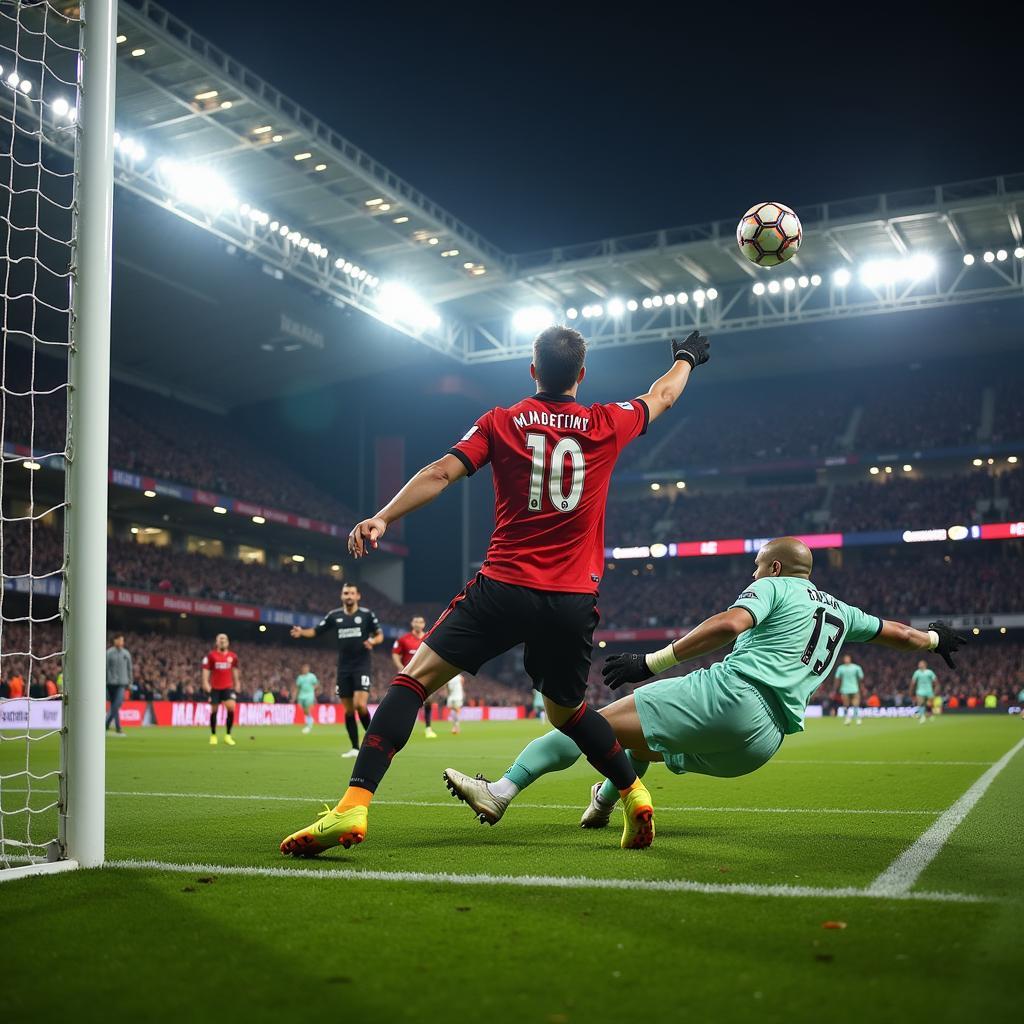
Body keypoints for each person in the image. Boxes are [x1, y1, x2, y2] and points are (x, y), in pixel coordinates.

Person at [280, 326, 711, 857]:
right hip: (573, 599)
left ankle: (352, 807)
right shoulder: (606, 421)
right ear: (581, 374)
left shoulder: (501, 421)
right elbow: (663, 394)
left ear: (532, 371)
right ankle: (634, 792)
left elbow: (439, 473)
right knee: (568, 715)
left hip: (504, 586)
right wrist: (687, 358)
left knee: (413, 683)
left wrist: (382, 516)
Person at [441, 537, 968, 830]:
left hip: (732, 695)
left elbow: (729, 624)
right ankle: (606, 802)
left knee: (586, 725)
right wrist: (931, 639)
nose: (754, 573)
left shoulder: (775, 586)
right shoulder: (843, 612)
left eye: (758, 567)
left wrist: (653, 661)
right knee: (643, 732)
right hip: (763, 744)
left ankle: (500, 791)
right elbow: (895, 632)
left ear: (776, 566)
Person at [291, 583, 384, 757]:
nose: (348, 596)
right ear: (342, 596)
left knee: (360, 705)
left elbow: (379, 634)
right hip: (343, 668)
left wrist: (373, 641)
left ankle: (374, 743)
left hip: (361, 665)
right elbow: (317, 631)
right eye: (345, 593)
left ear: (358, 596)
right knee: (349, 710)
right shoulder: (334, 615)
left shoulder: (366, 615)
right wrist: (302, 632)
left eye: (351, 593)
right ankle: (355, 748)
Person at [393, 615, 435, 738]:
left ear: (424, 624)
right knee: (406, 702)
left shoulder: (429, 637)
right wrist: (400, 666)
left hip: (425, 674)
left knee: (429, 700)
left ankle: (428, 727)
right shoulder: (403, 639)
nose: (418, 624)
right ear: (412, 623)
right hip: (409, 675)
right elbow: (395, 654)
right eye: (416, 621)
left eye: (421, 622)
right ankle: (401, 727)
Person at [202, 633, 240, 746]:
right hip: (215, 687)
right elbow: (206, 670)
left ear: (228, 642)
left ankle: (228, 735)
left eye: (224, 639)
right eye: (220, 639)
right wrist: (205, 682)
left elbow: (234, 670)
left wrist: (237, 683)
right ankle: (213, 735)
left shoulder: (233, 656)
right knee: (214, 711)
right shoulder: (211, 656)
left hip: (227, 687)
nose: (222, 641)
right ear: (217, 642)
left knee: (231, 707)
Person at [105, 634, 132, 737]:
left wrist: (130, 682)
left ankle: (109, 724)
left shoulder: (126, 654)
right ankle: (116, 727)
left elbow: (129, 669)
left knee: (117, 703)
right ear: (114, 641)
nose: (121, 642)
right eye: (119, 640)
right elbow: (105, 668)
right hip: (110, 683)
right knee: (114, 706)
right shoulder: (109, 653)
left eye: (122, 640)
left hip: (122, 683)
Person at [834, 653, 864, 726]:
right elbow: (837, 679)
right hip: (845, 689)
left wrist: (861, 687)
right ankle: (847, 719)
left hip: (854, 689)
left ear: (850, 659)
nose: (846, 660)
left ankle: (857, 719)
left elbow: (861, 678)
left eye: (847, 658)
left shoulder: (856, 667)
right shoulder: (841, 668)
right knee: (846, 704)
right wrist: (835, 688)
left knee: (855, 704)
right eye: (845, 658)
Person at [295, 663, 320, 734]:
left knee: (307, 709)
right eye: (304, 668)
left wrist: (313, 689)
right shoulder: (300, 678)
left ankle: (309, 725)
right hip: (301, 695)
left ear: (308, 669)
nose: (305, 669)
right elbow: (298, 687)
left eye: (306, 668)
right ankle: (310, 720)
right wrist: (296, 696)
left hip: (309, 695)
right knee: (304, 710)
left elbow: (316, 684)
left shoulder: (312, 676)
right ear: (302, 669)